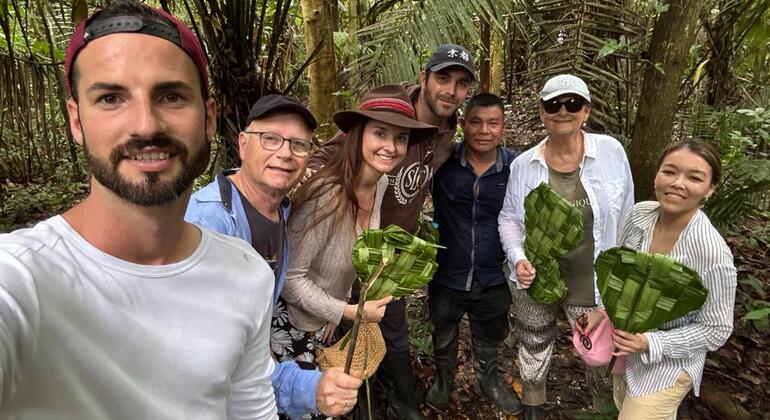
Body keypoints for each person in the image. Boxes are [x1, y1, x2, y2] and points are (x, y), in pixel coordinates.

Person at [0, 2, 277, 418]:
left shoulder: (247, 273)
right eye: (111, 97)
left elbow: (251, 410)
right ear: (76, 121)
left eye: (171, 96)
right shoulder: (22, 277)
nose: (146, 125)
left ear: (209, 117)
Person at [308, 44, 474, 420]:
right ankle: (353, 403)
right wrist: (302, 177)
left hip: (390, 253)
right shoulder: (389, 114)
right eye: (443, 78)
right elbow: (332, 153)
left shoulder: (448, 128)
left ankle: (402, 402)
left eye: (461, 83)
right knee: (339, 326)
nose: (451, 90)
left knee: (389, 325)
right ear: (423, 79)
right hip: (350, 242)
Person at [185, 94, 364, 419]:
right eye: (270, 139)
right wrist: (303, 388)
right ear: (243, 144)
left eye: (298, 144)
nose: (284, 153)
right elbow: (204, 353)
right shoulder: (211, 222)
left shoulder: (279, 210)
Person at [498, 74, 634, 420]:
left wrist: (624, 275)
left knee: (599, 353)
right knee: (534, 340)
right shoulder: (524, 164)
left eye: (572, 104)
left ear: (586, 111)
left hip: (592, 280)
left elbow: (628, 216)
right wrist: (518, 258)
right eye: (553, 105)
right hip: (536, 279)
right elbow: (510, 219)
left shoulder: (611, 153)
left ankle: (604, 408)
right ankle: (533, 407)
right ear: (542, 113)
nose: (563, 111)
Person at [280, 85, 437, 384]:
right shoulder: (327, 195)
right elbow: (290, 279)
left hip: (325, 319)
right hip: (295, 326)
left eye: (400, 138)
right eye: (380, 133)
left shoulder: (380, 184)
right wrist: (347, 312)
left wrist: (337, 311)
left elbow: (360, 250)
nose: (390, 146)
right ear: (358, 134)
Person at [612, 139, 736, 420]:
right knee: (622, 402)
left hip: (669, 367)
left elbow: (716, 327)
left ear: (710, 189)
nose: (678, 183)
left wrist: (651, 343)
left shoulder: (712, 253)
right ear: (657, 174)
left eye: (694, 178)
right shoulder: (640, 215)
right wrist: (601, 312)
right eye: (670, 171)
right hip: (626, 352)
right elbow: (619, 274)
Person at [425, 93, 522, 414]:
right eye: (476, 122)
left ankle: (488, 381)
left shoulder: (517, 168)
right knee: (444, 331)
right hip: (446, 271)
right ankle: (443, 379)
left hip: (495, 274)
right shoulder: (442, 163)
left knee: (489, 333)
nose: (484, 130)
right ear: (463, 125)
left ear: (503, 126)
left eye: (493, 123)